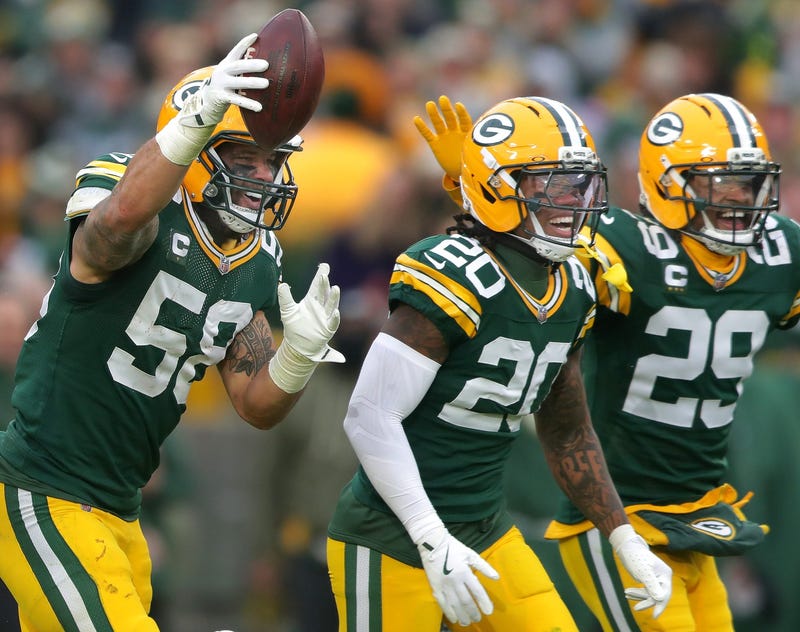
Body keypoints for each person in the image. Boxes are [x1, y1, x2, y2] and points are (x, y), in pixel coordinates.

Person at [0, 30, 343, 631]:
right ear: (199, 144)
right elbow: (110, 234)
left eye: (273, 160)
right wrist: (194, 121)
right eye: (246, 158)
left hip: (120, 510)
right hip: (42, 488)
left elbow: (255, 404)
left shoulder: (258, 259)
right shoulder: (129, 189)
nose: (265, 176)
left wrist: (300, 357)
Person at [420, 93, 796, 631]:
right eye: (722, 184)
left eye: (751, 182)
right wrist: (477, 189)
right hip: (617, 514)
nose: (742, 199)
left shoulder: (780, 250)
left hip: (699, 513)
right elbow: (522, 260)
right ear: (668, 182)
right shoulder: (624, 246)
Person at [327, 96, 672, 632]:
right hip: (392, 534)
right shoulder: (453, 276)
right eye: (552, 183)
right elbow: (368, 416)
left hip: (486, 528)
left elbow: (568, 430)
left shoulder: (577, 283)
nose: (572, 200)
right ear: (498, 187)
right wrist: (431, 537)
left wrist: (623, 537)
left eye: (580, 183)